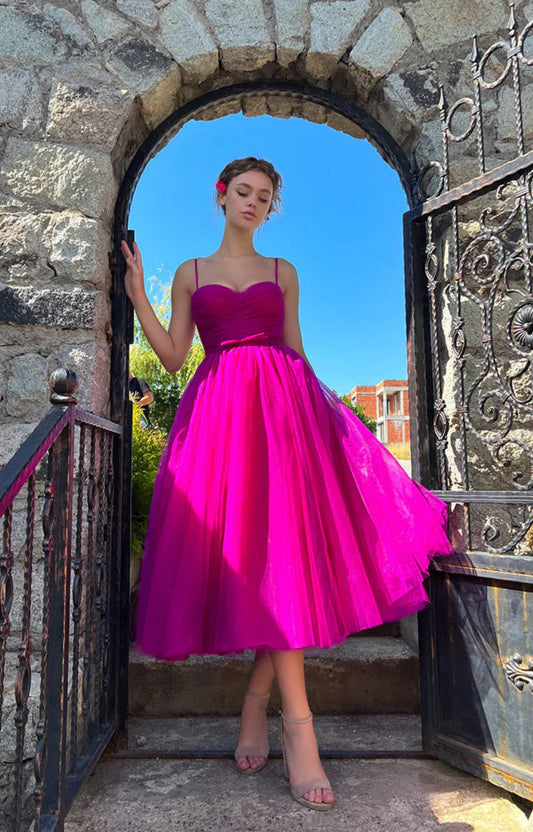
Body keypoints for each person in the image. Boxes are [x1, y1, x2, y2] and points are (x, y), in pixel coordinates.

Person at [120, 156, 453, 812]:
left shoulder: (283, 273)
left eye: (264, 196)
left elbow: (296, 351)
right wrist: (136, 296)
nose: (253, 202)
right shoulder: (190, 273)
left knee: (289, 567)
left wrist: (334, 424)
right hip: (218, 421)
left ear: (272, 207)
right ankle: (289, 727)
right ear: (221, 196)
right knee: (255, 568)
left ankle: (264, 711)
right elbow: (172, 355)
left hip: (284, 417)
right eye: (243, 191)